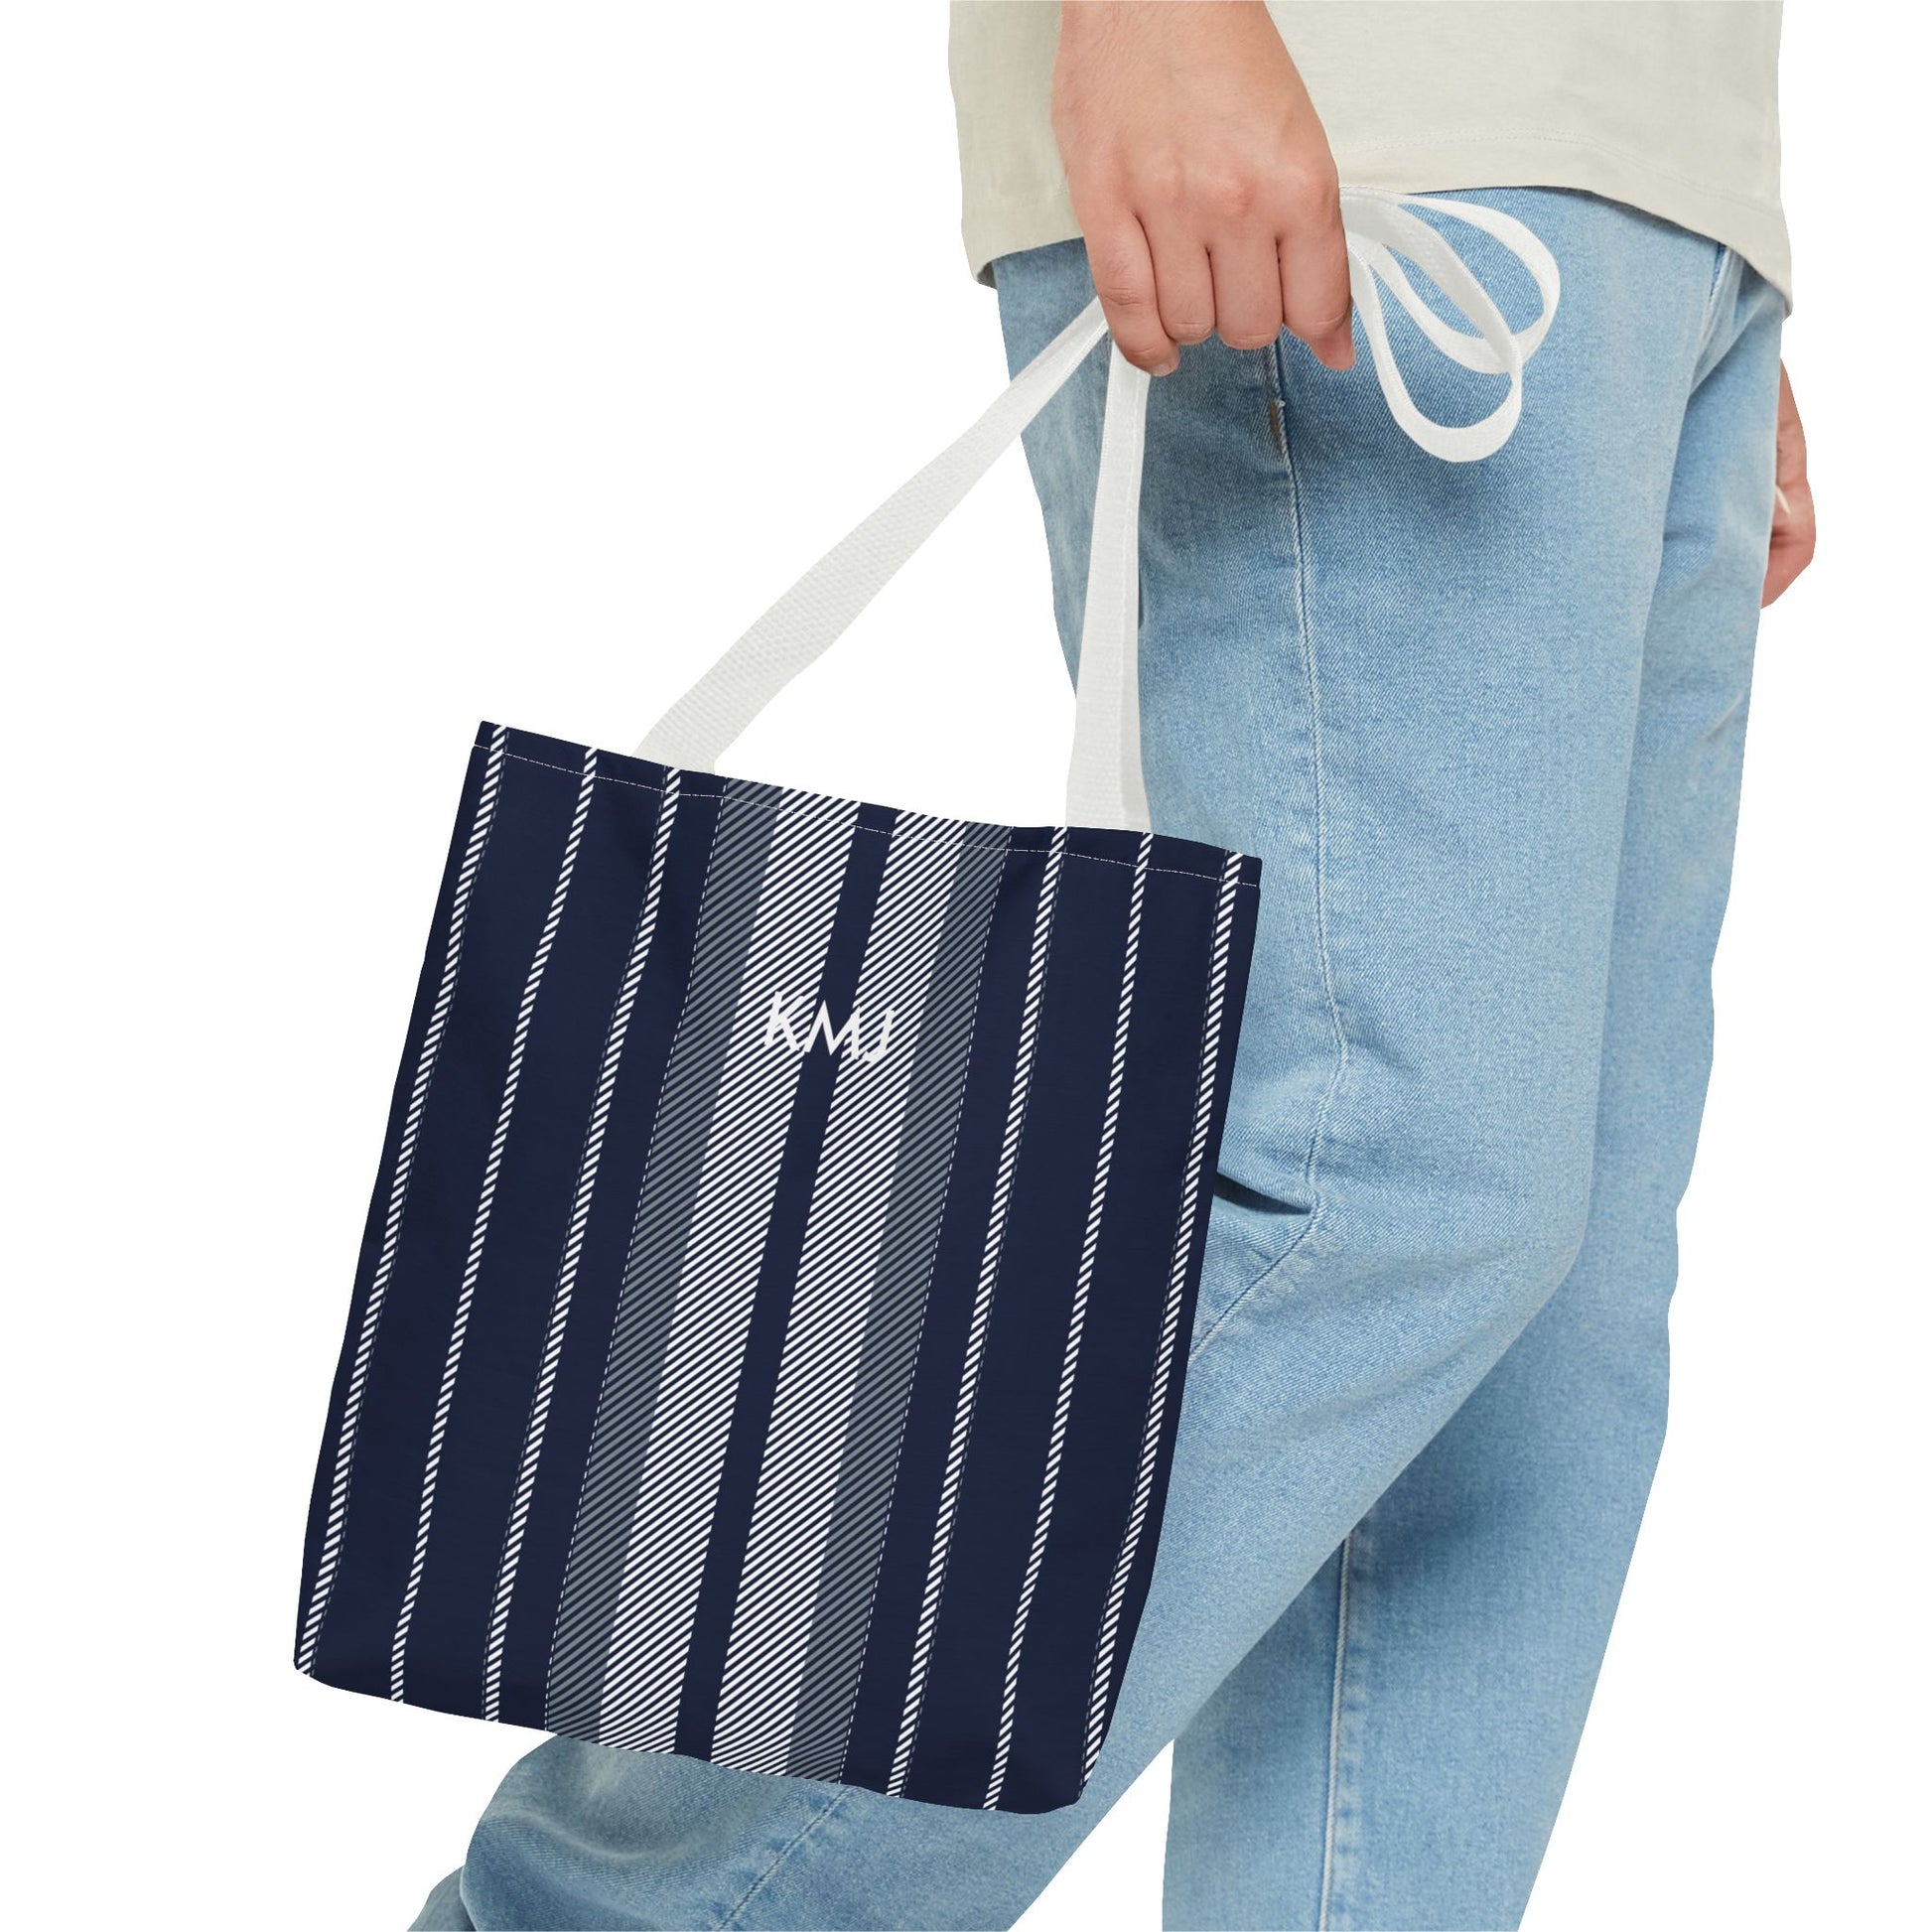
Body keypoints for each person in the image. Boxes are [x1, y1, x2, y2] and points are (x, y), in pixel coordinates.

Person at [414, 4, 1814, 1926]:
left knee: (1531, 1359)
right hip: (1368, 120)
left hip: (1641, 186)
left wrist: (1695, 229)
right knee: (1373, 1192)